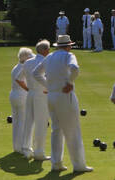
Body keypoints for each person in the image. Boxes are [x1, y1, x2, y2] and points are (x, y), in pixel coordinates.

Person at [40, 35, 91, 172]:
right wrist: (69, 82)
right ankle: (79, 165)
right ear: (68, 46)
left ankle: (56, 164)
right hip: (64, 95)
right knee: (73, 130)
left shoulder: (49, 57)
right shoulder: (69, 56)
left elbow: (35, 73)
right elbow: (74, 68)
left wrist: (48, 86)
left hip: (51, 96)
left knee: (57, 129)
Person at [22, 40, 51, 161]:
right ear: (45, 50)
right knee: (41, 123)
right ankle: (39, 152)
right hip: (41, 94)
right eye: (48, 49)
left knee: (29, 121)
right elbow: (47, 78)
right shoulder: (46, 62)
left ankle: (26, 149)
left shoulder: (27, 62)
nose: (49, 51)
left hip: (30, 93)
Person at [10, 48, 33, 154]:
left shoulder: (16, 67)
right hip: (22, 95)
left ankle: (16, 146)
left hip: (14, 95)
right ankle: (22, 147)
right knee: (22, 121)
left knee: (16, 121)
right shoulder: (24, 68)